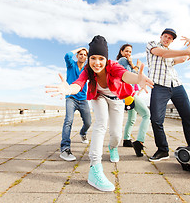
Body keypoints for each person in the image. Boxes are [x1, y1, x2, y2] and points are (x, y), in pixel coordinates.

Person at [46, 35, 153, 192]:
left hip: (116, 98)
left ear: (106, 59)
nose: (97, 62)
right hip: (98, 96)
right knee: (100, 124)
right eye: (93, 58)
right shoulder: (88, 69)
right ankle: (95, 168)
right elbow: (78, 83)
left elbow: (125, 75)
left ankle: (112, 147)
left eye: (101, 58)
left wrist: (137, 79)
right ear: (89, 58)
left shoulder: (113, 65)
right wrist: (69, 89)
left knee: (116, 134)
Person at [146, 28, 190, 162]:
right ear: (161, 36)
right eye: (165, 36)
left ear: (171, 41)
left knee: (188, 116)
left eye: (170, 38)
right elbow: (162, 53)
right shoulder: (152, 44)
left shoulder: (172, 53)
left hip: (176, 86)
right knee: (156, 120)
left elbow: (183, 58)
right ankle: (163, 150)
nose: (166, 39)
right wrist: (187, 50)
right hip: (159, 86)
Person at [116, 44, 150, 157]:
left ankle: (126, 140)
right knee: (146, 114)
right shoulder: (123, 60)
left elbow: (136, 77)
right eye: (126, 51)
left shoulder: (126, 61)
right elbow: (127, 76)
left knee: (132, 118)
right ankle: (139, 142)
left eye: (130, 52)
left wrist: (134, 66)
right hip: (127, 93)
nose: (128, 54)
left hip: (129, 93)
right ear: (121, 52)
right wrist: (134, 66)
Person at [60, 47, 92, 162]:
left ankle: (83, 133)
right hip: (71, 98)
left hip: (83, 99)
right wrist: (80, 48)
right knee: (68, 120)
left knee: (88, 122)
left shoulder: (87, 68)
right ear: (77, 55)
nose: (82, 56)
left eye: (85, 55)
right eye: (81, 54)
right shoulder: (71, 65)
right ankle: (65, 148)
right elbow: (67, 55)